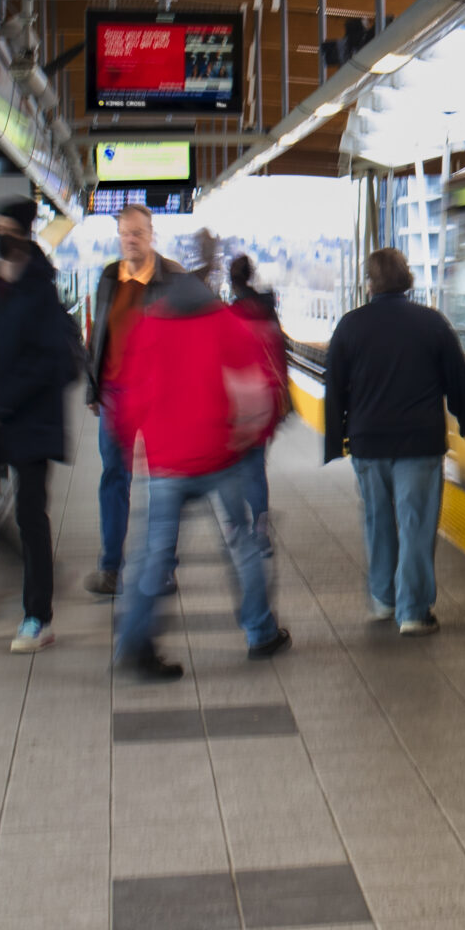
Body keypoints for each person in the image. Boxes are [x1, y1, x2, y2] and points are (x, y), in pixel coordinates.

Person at [110, 270, 288, 677]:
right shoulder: (226, 323)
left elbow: (131, 396)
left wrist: (131, 447)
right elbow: (254, 389)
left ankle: (136, 645)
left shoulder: (148, 327)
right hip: (219, 458)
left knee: (155, 554)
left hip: (166, 464)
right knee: (242, 545)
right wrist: (251, 436)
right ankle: (261, 632)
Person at [322, 248, 465, 637]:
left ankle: (383, 599)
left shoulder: (350, 325)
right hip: (419, 443)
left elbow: (334, 387)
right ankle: (413, 611)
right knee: (416, 524)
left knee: (377, 521)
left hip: (368, 443)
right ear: (407, 279)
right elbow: (458, 378)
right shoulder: (431, 323)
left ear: (370, 284)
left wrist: (334, 440)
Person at [0, 198, 80, 653]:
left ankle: (37, 617)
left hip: (30, 422)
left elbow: (47, 364)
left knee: (30, 514)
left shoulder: (41, 291)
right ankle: (29, 564)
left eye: (3, 226)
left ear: (21, 232)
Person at [83, 205, 182, 597]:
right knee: (114, 479)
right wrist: (93, 389)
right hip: (114, 395)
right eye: (125, 233)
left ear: (151, 234)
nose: (131, 239)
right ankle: (111, 567)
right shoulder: (110, 276)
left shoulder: (172, 277)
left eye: (138, 233)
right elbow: (98, 335)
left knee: (164, 481)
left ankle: (163, 568)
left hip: (159, 397)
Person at [227, 255, 287, 540]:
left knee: (233, 466)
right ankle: (260, 524)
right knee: (255, 465)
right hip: (266, 401)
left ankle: (237, 523)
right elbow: (281, 358)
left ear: (232, 282)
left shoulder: (229, 316)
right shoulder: (268, 312)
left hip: (236, 403)